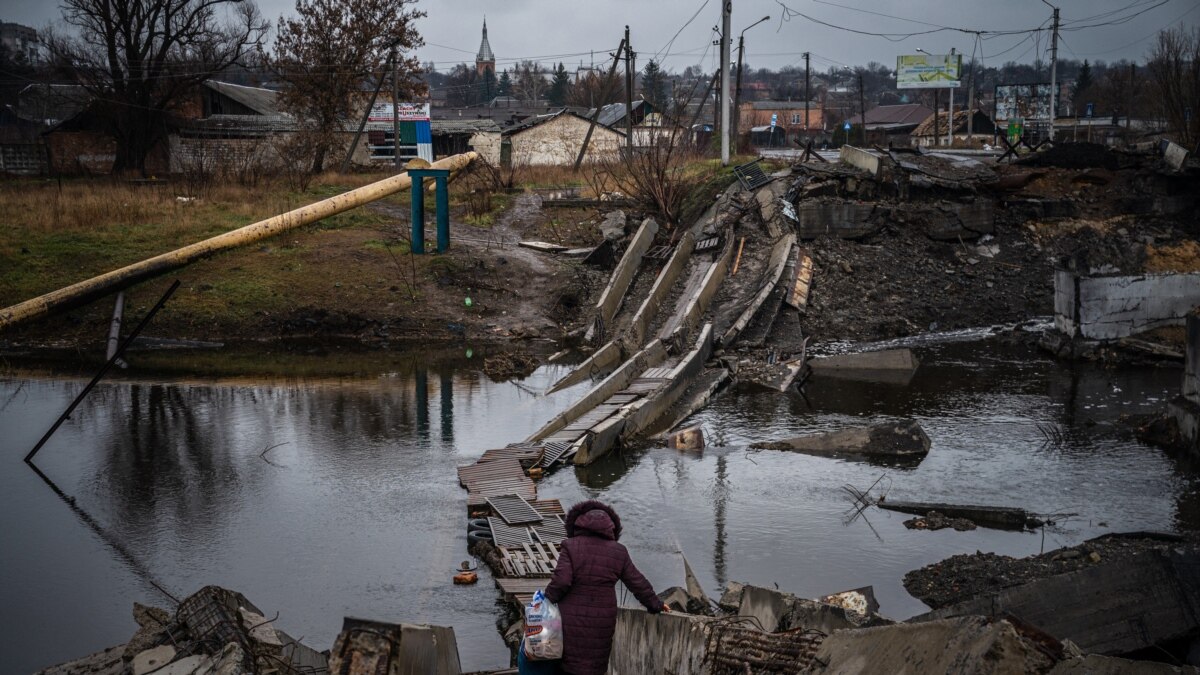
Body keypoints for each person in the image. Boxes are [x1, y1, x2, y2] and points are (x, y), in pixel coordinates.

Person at [532, 499, 667, 675]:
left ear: (577, 524)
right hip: (603, 619)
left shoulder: (570, 546)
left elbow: (562, 581)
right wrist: (655, 604)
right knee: (595, 664)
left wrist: (545, 601)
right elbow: (637, 582)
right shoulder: (619, 551)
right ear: (612, 527)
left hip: (571, 619)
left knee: (569, 664)